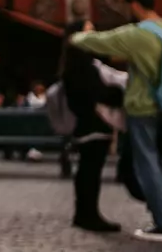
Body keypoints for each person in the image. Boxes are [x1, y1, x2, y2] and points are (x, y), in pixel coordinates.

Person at [70, 0, 162, 242]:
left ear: (135, 5)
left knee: (148, 164)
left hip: (144, 107)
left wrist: (78, 35)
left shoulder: (138, 34)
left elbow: (97, 42)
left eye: (127, 7)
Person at [62, 20, 125, 233]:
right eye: (89, 31)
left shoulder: (78, 62)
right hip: (92, 122)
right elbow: (97, 93)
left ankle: (85, 213)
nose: (94, 34)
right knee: (91, 170)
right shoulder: (82, 64)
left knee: (88, 170)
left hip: (88, 122)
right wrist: (119, 94)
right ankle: (88, 214)